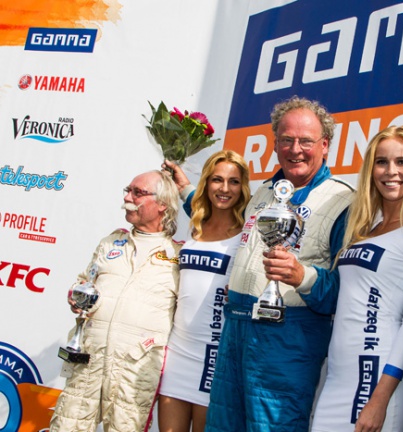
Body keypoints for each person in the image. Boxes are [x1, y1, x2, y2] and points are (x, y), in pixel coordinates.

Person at [165, 96, 355, 431]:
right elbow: (217, 216)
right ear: (275, 143)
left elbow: (348, 290)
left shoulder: (344, 201)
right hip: (234, 331)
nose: (295, 149)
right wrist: (185, 190)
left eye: (306, 141)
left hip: (287, 337)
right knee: (223, 425)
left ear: (325, 145)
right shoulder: (265, 191)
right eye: (286, 140)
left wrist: (303, 276)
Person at [311, 126, 403, 432]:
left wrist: (379, 399)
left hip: (377, 380)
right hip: (336, 380)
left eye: (402, 162)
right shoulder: (363, 231)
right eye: (381, 162)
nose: (391, 171)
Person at [50, 170, 182, 431]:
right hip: (89, 358)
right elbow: (84, 281)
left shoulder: (179, 256)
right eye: (127, 190)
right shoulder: (111, 242)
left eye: (137, 192)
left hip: (136, 367)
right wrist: (77, 296)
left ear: (162, 204)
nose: (127, 197)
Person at [158, 150, 251, 432]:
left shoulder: (248, 230)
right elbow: (192, 200)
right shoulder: (196, 222)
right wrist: (183, 183)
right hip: (177, 354)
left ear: (243, 187)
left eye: (234, 182)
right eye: (216, 180)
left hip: (215, 357)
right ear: (206, 183)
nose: (224, 189)